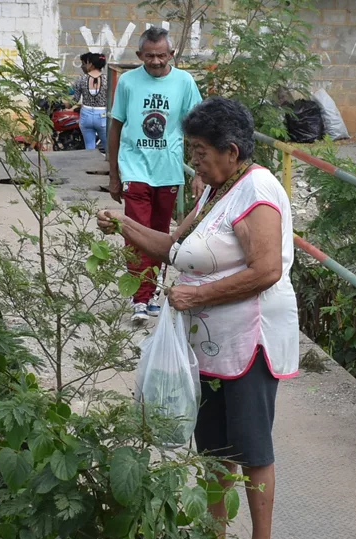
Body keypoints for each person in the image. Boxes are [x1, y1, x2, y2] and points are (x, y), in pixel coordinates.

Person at [98, 97, 299, 539]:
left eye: (201, 153)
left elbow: (268, 269)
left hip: (251, 338)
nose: (194, 162)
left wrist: (199, 295)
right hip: (209, 342)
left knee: (251, 447)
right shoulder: (217, 189)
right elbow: (175, 248)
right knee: (212, 446)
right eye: (191, 151)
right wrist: (123, 224)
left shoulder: (257, 191)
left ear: (231, 151)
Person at [109, 26, 202, 324]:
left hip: (168, 171)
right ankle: (140, 297)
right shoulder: (127, 82)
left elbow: (199, 129)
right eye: (149, 56)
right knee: (135, 233)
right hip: (135, 169)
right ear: (139, 56)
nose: (156, 61)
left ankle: (154, 292)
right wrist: (113, 173)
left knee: (162, 235)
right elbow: (115, 127)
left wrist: (200, 171)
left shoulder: (185, 82)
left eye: (162, 55)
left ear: (172, 54)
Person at [73, 53, 108, 152]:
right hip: (102, 115)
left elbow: (74, 99)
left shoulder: (81, 79)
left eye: (87, 63)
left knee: (89, 147)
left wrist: (65, 103)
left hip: (86, 115)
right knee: (108, 147)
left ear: (91, 64)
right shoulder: (107, 79)